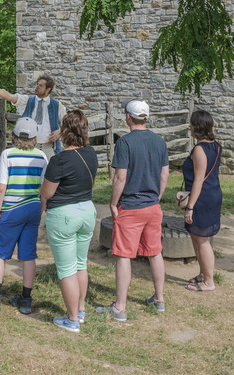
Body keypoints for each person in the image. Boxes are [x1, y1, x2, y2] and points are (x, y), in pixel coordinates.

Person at [96, 99, 169, 322]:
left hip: (130, 206)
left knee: (124, 256)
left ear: (128, 117)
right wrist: (157, 196)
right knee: (155, 252)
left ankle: (120, 307)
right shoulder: (159, 141)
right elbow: (165, 173)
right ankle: (159, 299)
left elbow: (120, 176)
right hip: (152, 206)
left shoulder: (125, 143)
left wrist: (112, 202)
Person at [0, 117, 48, 314]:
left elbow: (1, 187)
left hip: (11, 208)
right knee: (28, 255)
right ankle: (26, 299)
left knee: (1, 253)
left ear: (14, 135)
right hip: (32, 208)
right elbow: (44, 187)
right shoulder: (42, 157)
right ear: (35, 136)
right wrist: (42, 205)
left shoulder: (7, 155)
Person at [40, 110, 99, 333]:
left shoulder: (59, 160)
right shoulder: (92, 153)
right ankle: (80, 309)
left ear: (64, 131)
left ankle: (72, 319)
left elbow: (46, 193)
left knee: (66, 270)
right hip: (87, 210)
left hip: (64, 215)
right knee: (81, 263)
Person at [182, 110, 223, 291]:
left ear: (197, 127)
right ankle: (202, 273)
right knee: (197, 237)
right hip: (213, 193)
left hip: (202, 198)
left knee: (203, 240)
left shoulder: (199, 150)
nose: (189, 127)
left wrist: (190, 206)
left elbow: (199, 179)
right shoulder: (216, 146)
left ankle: (209, 281)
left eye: (191, 124)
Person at [0, 75, 64, 155]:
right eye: (37, 84)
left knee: (49, 171)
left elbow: (67, 123)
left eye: (40, 86)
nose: (37, 87)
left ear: (48, 89)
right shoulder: (26, 101)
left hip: (50, 149)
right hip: (29, 147)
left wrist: (59, 131)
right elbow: (9, 96)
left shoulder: (57, 105)